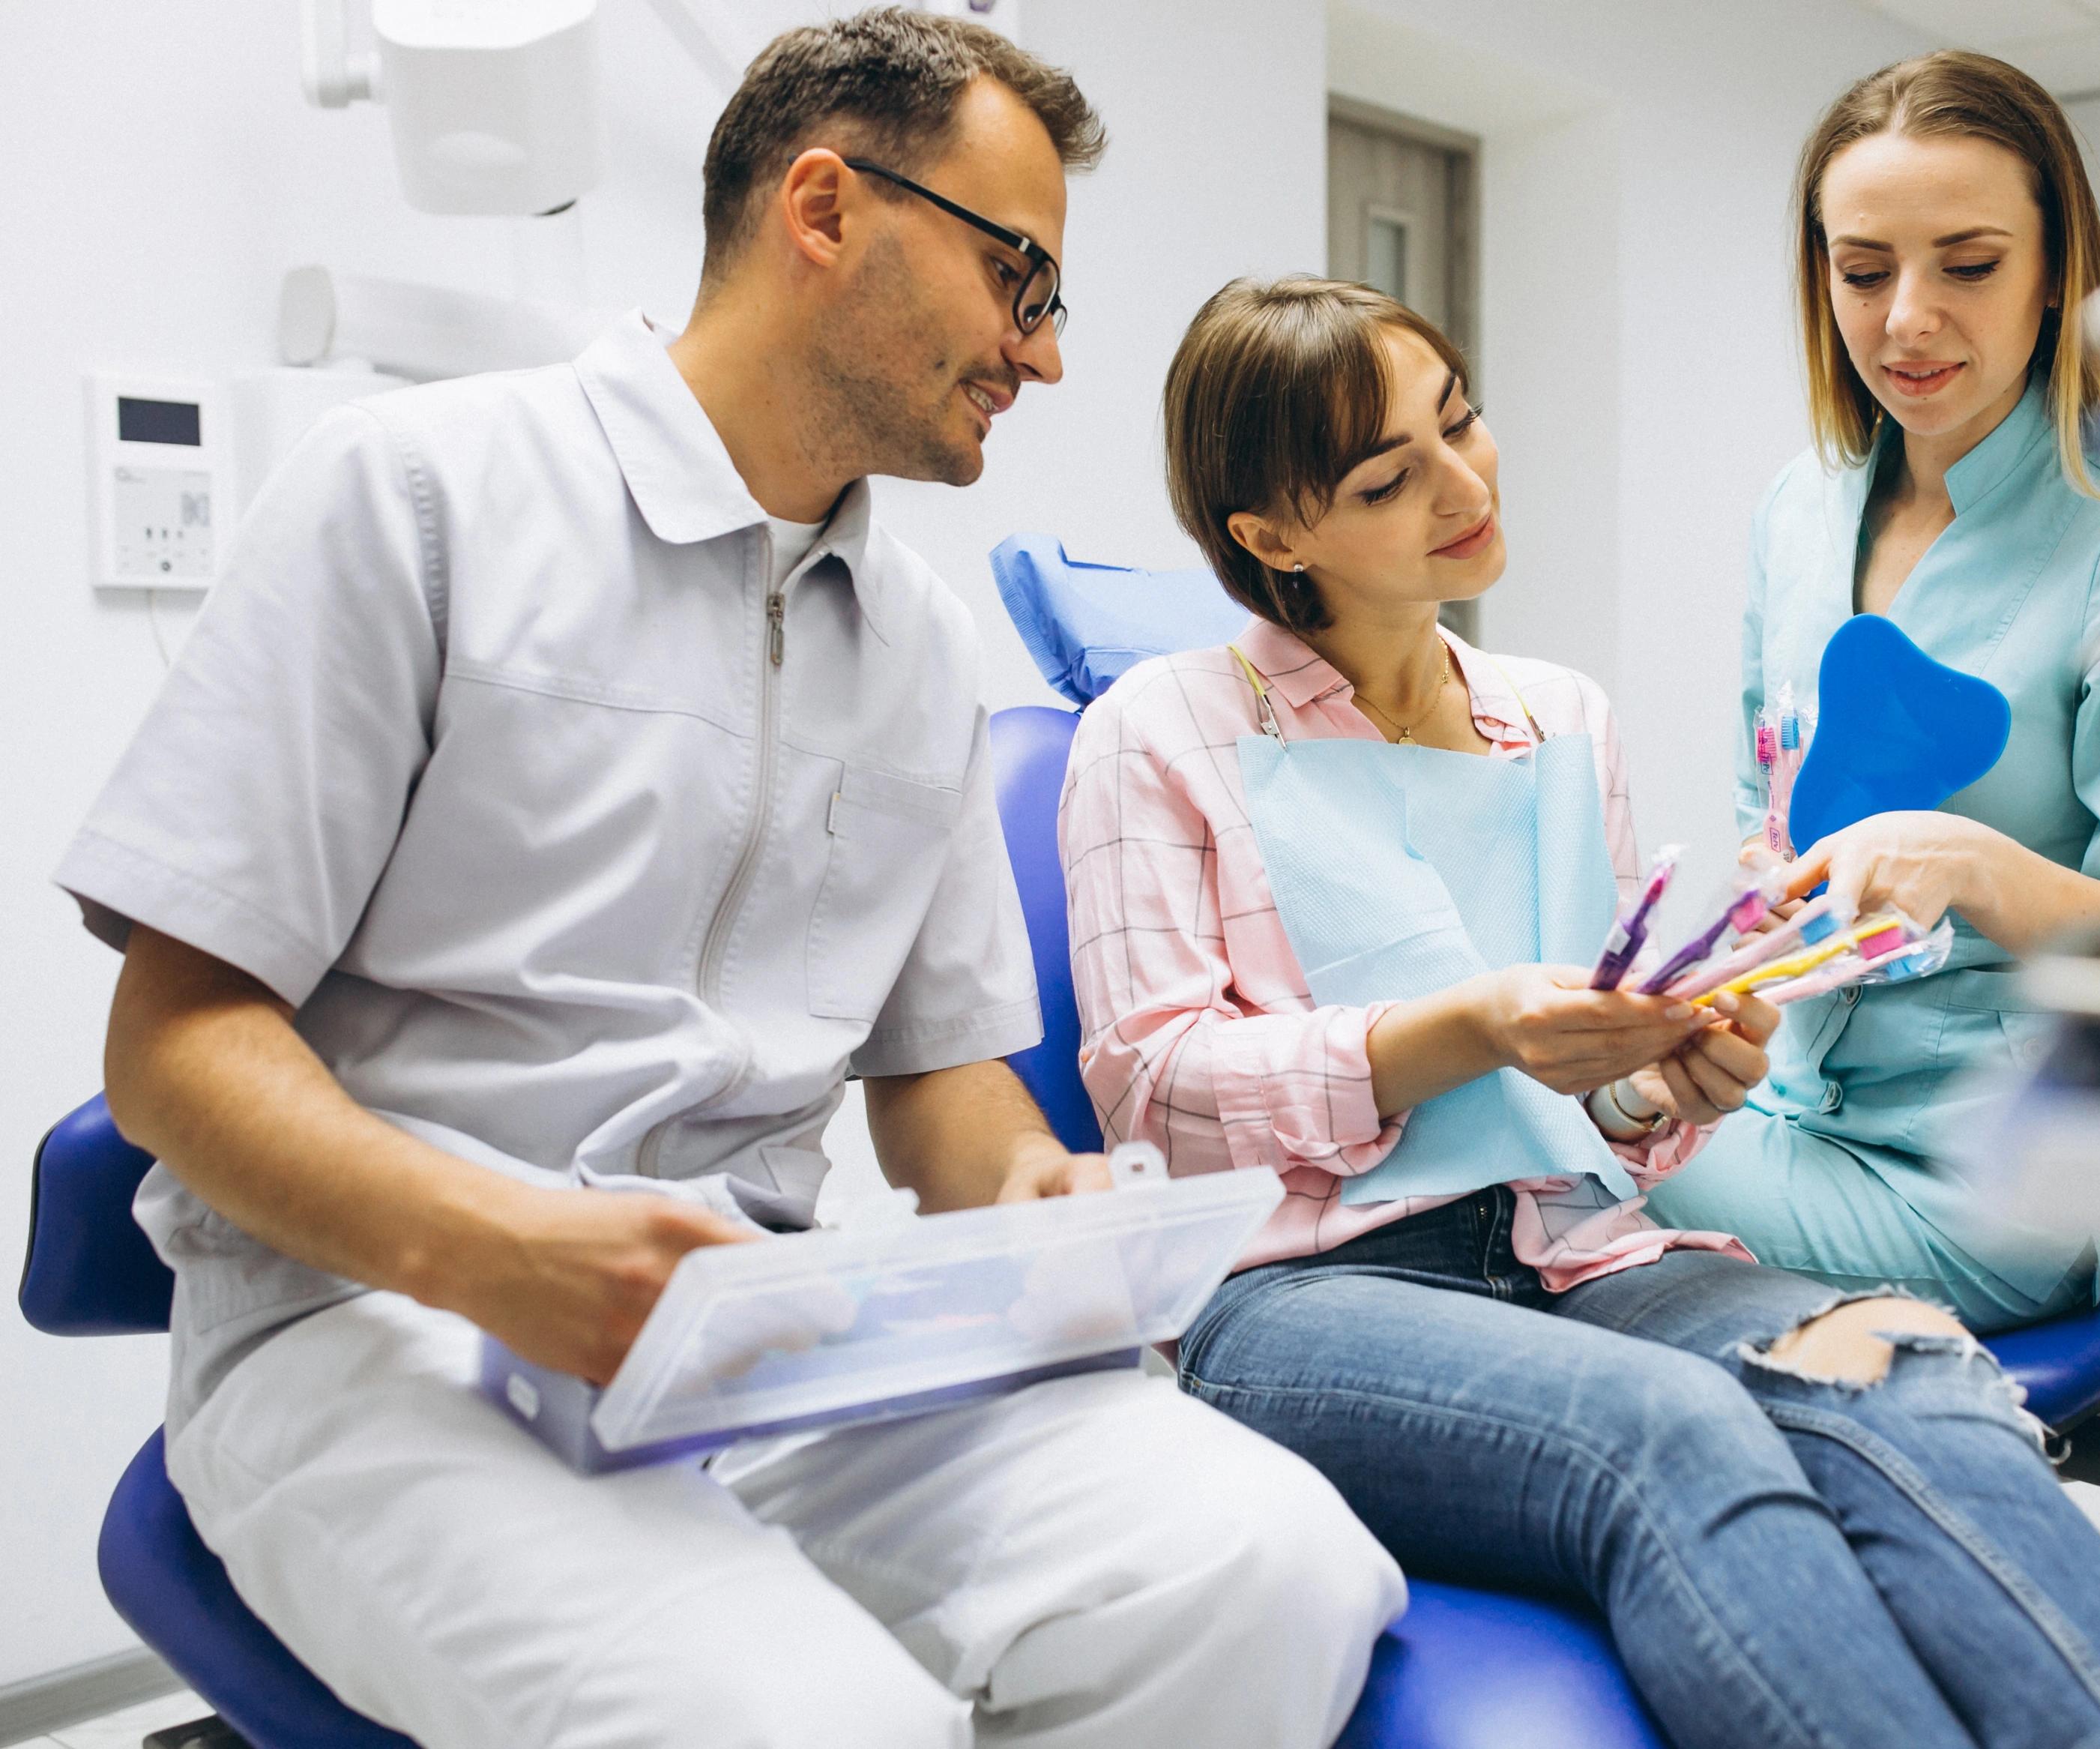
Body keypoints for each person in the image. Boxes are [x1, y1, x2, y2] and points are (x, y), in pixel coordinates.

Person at [56, 14, 1399, 1748]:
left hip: (766, 1328)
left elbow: (941, 1083)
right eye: (1019, 281)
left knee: (1276, 1571)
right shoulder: (419, 495)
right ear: (823, 209)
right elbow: (172, 1046)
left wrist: (1041, 1206)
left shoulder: (917, 643)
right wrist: (505, 1251)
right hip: (375, 1324)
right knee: (820, 1725)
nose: (1045, 355)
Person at [1060, 272, 2100, 1749]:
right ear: (1269, 535)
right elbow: (1154, 1085)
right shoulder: (1159, 731)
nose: (1463, 486)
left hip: (1576, 1251)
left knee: (1909, 1371)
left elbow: (1602, 1113)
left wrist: (1663, 1080)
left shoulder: (1557, 717)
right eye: (1387, 478)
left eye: (1460, 423)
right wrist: (1471, 1027)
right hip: (1299, 1294)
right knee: (1675, 1428)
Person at [1647, 51, 2100, 1332]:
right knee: (1569, 1125)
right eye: (1864, 272)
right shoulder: (1800, 509)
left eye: (1969, 266)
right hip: (1796, 1107)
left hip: (2007, 1167)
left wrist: (1971, 864)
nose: (1907, 320)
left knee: (1545, 1177)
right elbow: (1773, 834)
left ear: (2056, 273)